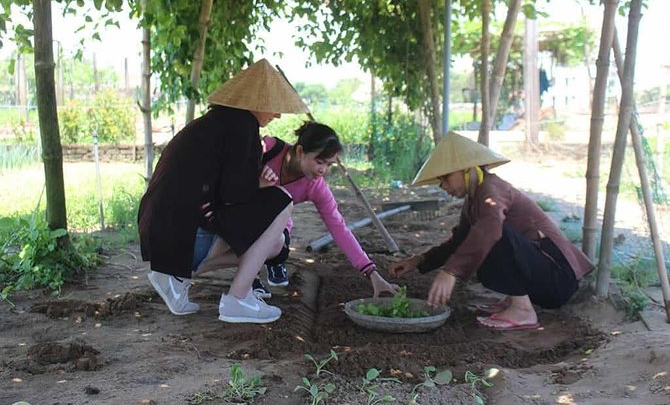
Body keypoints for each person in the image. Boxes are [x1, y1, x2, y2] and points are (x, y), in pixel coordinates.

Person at [138, 58, 308, 324]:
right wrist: (262, 186)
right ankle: (237, 298)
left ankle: (175, 277)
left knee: (275, 243)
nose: (277, 115)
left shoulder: (214, 123)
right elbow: (234, 195)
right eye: (275, 107)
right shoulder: (243, 126)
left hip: (161, 236)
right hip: (185, 237)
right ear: (257, 101)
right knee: (281, 201)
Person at [389, 132, 594, 330]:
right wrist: (420, 260)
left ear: (467, 169)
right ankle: (516, 301)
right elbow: (458, 242)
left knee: (491, 231)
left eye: (446, 178)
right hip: (542, 283)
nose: (443, 186)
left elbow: (492, 228)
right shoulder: (474, 199)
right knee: (474, 238)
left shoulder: (491, 189)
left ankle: (523, 310)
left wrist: (450, 271)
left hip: (558, 278)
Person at [196, 121, 399, 298]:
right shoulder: (267, 150)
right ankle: (238, 273)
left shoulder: (316, 186)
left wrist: (372, 273)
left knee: (277, 245)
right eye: (319, 162)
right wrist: (256, 184)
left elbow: (339, 228)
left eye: (329, 165)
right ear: (300, 151)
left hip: (274, 227)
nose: (323, 170)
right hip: (236, 215)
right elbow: (228, 180)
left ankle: (205, 270)